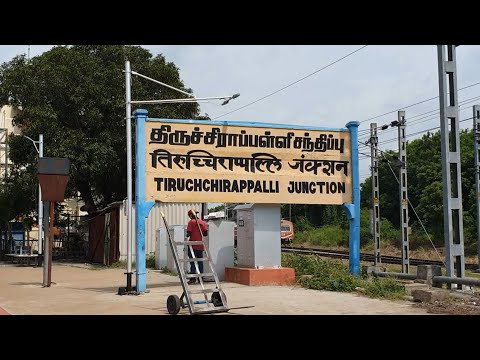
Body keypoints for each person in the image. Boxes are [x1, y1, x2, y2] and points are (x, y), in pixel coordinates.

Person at [186, 209, 208, 284]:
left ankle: (193, 279)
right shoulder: (202, 222)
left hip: (192, 245)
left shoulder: (191, 222)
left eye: (189, 215)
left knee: (192, 262)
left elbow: (188, 233)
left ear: (191, 215)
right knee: (200, 262)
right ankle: (200, 278)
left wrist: (187, 235)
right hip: (200, 245)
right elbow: (205, 234)